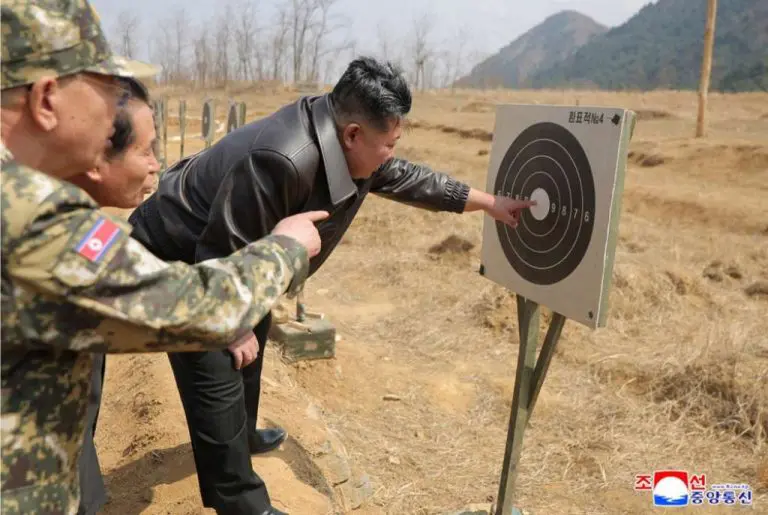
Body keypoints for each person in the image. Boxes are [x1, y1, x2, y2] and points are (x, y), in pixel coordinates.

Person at [128, 55, 536, 514]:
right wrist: (230, 325)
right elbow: (219, 252)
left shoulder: (349, 140)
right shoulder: (282, 158)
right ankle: (238, 498)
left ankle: (241, 437)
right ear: (353, 134)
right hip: (181, 250)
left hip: (239, 247)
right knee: (218, 357)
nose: (392, 155)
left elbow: (412, 180)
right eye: (389, 144)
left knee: (254, 331)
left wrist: (488, 203)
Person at [0, 2, 326, 514]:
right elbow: (190, 311)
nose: (115, 116)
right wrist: (285, 249)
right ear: (46, 99)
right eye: (108, 94)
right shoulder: (24, 212)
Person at [66, 76, 161, 515]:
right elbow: (176, 308)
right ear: (99, 156)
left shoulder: (78, 217)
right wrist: (284, 250)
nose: (156, 166)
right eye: (146, 151)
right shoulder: (54, 228)